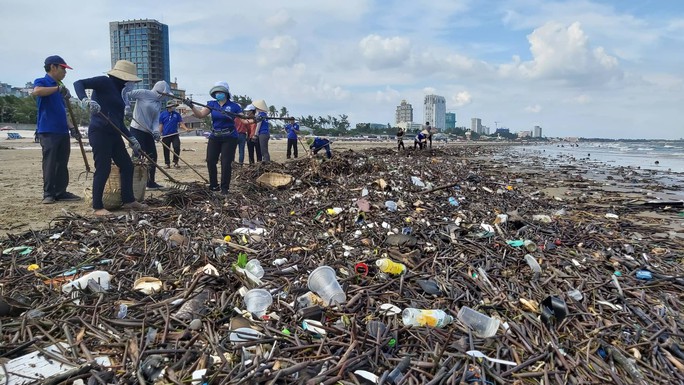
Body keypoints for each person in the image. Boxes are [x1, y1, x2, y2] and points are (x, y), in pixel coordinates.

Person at [73, 60, 146, 216]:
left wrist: (131, 138)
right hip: (99, 132)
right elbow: (78, 83)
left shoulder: (121, 94)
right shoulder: (104, 82)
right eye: (131, 80)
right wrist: (86, 100)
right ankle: (97, 207)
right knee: (103, 167)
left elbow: (118, 122)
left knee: (127, 165)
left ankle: (128, 200)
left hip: (114, 134)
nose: (132, 83)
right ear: (125, 78)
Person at [32, 55, 82, 204]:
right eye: (63, 68)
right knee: (50, 162)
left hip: (62, 131)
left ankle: (61, 191)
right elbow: (36, 91)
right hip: (48, 130)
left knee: (62, 162)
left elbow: (63, 111)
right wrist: (57, 88)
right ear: (53, 67)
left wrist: (72, 128)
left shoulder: (60, 86)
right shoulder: (43, 82)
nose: (65, 72)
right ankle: (48, 193)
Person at [184, 81, 241, 194]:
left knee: (225, 163)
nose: (218, 94)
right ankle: (214, 185)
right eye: (216, 92)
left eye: (220, 91)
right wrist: (191, 106)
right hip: (215, 136)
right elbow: (200, 114)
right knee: (210, 160)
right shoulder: (212, 104)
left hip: (229, 137)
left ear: (225, 93)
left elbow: (244, 119)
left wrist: (254, 119)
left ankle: (225, 188)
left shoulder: (234, 106)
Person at [127, 80, 170, 189]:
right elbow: (126, 94)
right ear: (159, 92)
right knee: (138, 154)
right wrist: (126, 107)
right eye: (164, 94)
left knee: (152, 156)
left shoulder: (158, 103)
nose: (165, 97)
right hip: (136, 129)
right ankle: (133, 182)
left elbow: (156, 119)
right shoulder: (143, 93)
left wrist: (156, 131)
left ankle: (150, 182)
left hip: (148, 132)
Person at [159, 100, 190, 168]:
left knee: (177, 147)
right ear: (169, 107)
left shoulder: (177, 114)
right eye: (173, 106)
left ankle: (175, 162)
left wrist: (186, 129)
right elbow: (161, 125)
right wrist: (159, 134)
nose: (174, 108)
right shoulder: (162, 114)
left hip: (174, 134)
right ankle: (167, 163)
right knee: (166, 149)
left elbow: (181, 123)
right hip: (166, 135)